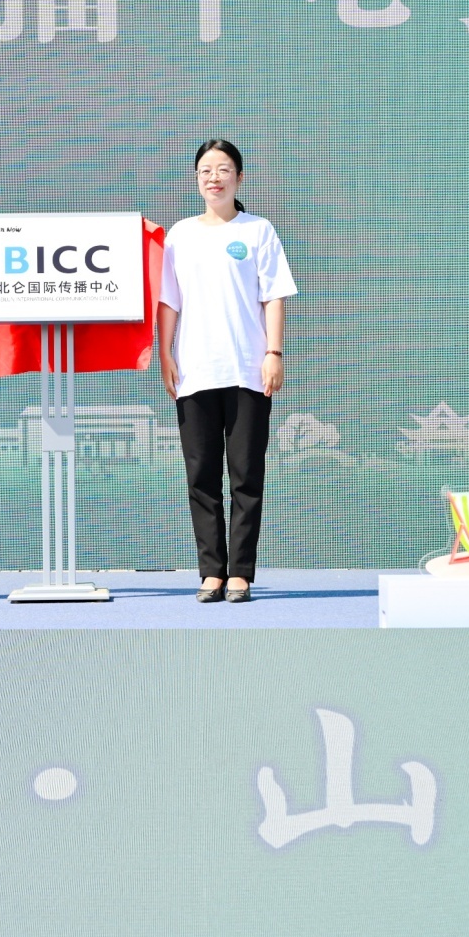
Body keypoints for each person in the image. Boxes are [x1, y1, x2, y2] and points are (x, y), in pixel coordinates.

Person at [156, 139, 297, 604]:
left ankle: (241, 573)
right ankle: (211, 572)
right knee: (201, 475)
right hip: (195, 369)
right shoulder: (179, 235)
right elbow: (169, 301)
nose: (213, 178)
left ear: (239, 177)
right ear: (196, 179)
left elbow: (273, 295)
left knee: (245, 474)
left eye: (223, 169)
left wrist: (273, 352)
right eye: (205, 170)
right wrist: (165, 352)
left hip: (247, 369)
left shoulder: (257, 230)